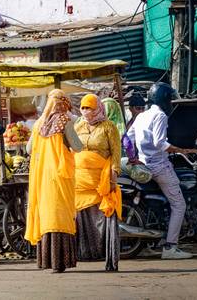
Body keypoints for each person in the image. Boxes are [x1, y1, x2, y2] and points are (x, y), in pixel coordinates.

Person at [126, 82, 197, 259]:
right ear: (164, 99)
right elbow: (160, 143)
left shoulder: (142, 115)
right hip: (159, 166)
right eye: (170, 98)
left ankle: (157, 240)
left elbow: (128, 138)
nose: (171, 102)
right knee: (179, 204)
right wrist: (183, 150)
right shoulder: (160, 116)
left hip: (143, 165)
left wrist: (134, 157)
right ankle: (170, 247)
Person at [25, 89, 82, 273]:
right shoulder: (65, 121)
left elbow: (28, 149)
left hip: (42, 178)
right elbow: (78, 147)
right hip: (60, 177)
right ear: (64, 104)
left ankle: (46, 261)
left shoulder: (39, 124)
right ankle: (61, 262)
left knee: (47, 214)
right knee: (61, 215)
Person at [74, 94, 122, 271]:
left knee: (106, 218)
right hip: (80, 182)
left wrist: (114, 175)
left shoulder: (109, 127)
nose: (86, 111)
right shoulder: (78, 126)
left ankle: (110, 260)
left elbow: (116, 152)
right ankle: (86, 254)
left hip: (102, 179)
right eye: (84, 108)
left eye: (90, 108)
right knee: (83, 220)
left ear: (99, 108)